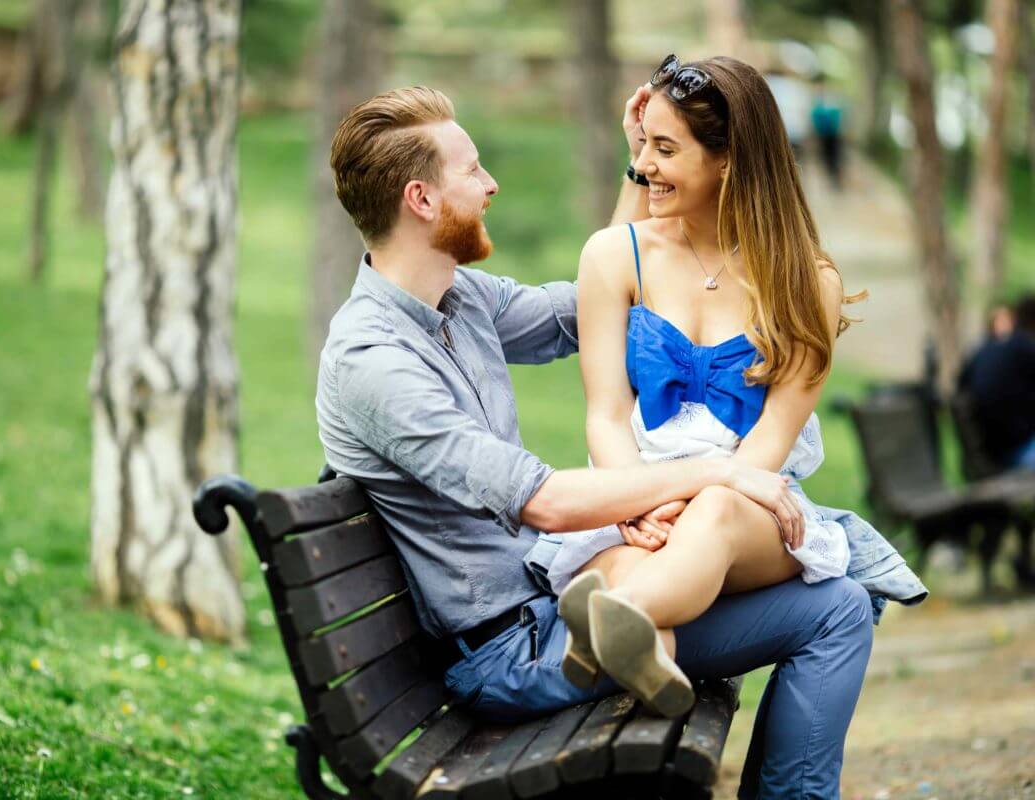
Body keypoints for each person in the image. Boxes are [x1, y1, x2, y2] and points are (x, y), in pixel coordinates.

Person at [317, 82, 924, 800]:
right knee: (779, 611)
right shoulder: (372, 358)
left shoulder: (460, 300)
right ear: (421, 200)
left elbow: (603, 294)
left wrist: (643, 164)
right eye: (472, 171)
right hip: (510, 648)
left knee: (839, 607)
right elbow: (541, 499)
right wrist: (717, 476)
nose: (492, 184)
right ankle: (642, 635)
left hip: (557, 600)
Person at [958, 295, 1035, 470]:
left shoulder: (981, 351)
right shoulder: (1024, 347)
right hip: (1016, 452)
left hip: (989, 452)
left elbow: (960, 386)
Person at [811, 77, 845, 190]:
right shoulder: (818, 103)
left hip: (833, 135)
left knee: (834, 157)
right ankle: (832, 179)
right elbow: (815, 118)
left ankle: (836, 180)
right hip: (824, 136)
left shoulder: (831, 101)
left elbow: (838, 117)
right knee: (826, 158)